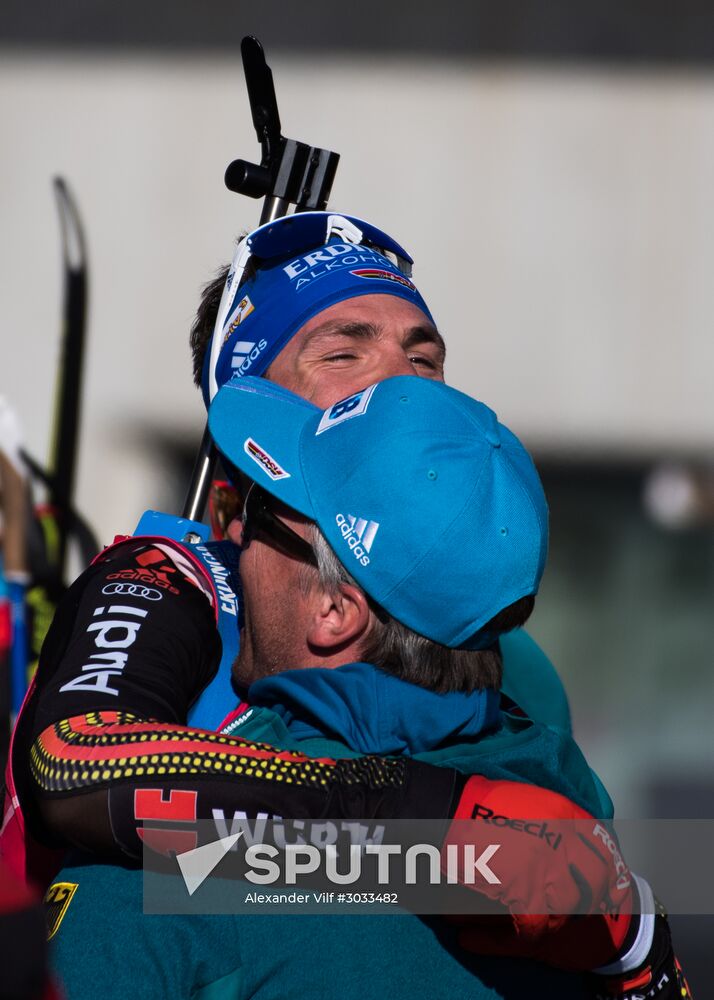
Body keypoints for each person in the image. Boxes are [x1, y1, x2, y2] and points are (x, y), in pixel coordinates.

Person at [2, 214, 686, 996]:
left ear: (339, 609)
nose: (394, 379)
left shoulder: (160, 894)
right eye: (342, 352)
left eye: (422, 358)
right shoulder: (181, 579)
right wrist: (433, 823)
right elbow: (74, 761)